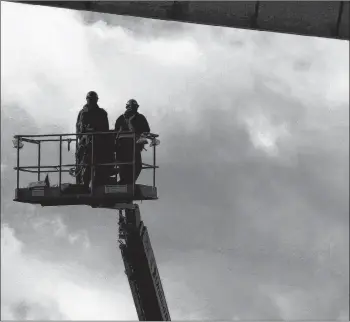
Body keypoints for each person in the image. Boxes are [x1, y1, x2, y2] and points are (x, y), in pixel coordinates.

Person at [75, 91, 113, 187]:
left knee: (98, 166)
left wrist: (95, 131)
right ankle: (83, 184)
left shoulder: (102, 113)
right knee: (84, 164)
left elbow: (105, 130)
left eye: (93, 100)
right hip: (85, 144)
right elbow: (78, 130)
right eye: (90, 99)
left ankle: (96, 183)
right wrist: (84, 133)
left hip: (98, 144)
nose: (91, 101)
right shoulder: (82, 113)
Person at [114, 99, 150, 185]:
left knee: (135, 166)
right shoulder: (121, 119)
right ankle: (125, 182)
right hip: (124, 147)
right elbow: (115, 133)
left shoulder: (140, 118)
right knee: (125, 166)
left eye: (135, 107)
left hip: (133, 147)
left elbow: (146, 131)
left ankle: (129, 183)